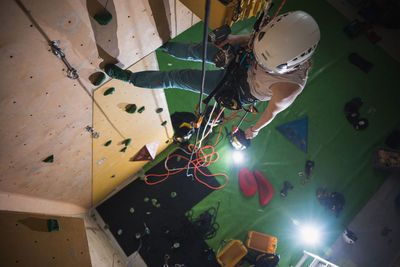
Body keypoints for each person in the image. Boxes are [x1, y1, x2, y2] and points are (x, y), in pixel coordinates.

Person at [104, 10, 320, 139]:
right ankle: (164, 46)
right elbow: (256, 40)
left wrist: (253, 130)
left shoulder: (288, 89)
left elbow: (271, 113)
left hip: (238, 89)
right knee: (197, 50)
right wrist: (235, 40)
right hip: (243, 58)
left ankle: (130, 78)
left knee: (178, 77)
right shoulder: (279, 33)